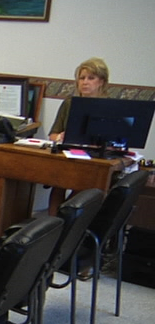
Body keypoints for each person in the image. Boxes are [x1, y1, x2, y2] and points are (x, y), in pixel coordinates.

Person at [46, 57, 110, 215]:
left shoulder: (109, 106)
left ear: (101, 82)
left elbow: (113, 141)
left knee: (82, 187)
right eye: (82, 78)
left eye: (91, 78)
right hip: (69, 155)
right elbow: (53, 135)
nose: (85, 82)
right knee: (58, 184)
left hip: (93, 159)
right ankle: (51, 225)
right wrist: (60, 136)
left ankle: (68, 222)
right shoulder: (69, 103)